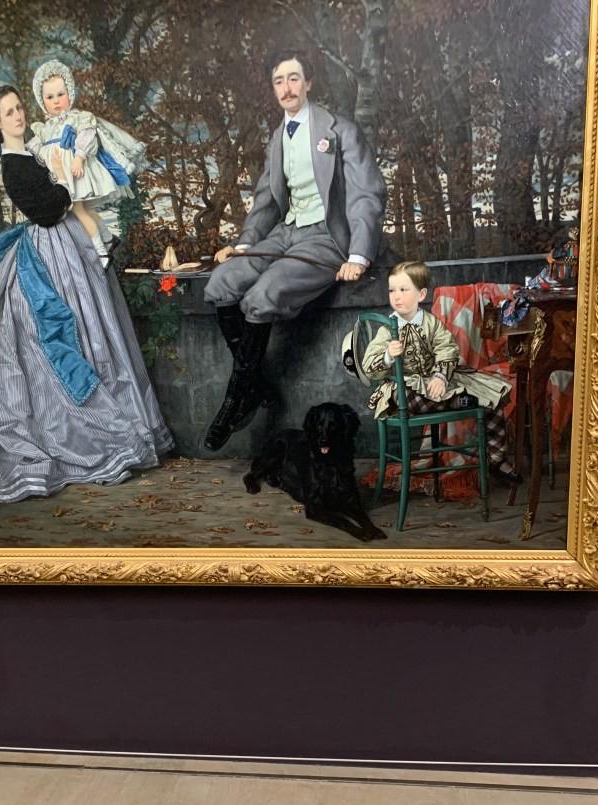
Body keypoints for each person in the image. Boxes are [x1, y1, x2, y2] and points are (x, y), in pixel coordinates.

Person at [0, 85, 173, 504]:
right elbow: (46, 212)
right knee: (55, 338)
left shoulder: (33, 151)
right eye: (9, 112)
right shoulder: (13, 165)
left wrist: (64, 181)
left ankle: (113, 419)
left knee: (94, 326)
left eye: (19, 108)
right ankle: (69, 430)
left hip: (68, 245)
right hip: (48, 251)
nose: (18, 116)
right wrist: (63, 184)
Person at [202, 49, 387, 451]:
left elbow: (366, 194)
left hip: (326, 237)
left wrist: (358, 255)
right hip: (287, 232)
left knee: (262, 295)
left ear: (308, 83)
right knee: (221, 283)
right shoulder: (278, 138)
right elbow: (267, 198)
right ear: (274, 89)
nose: (286, 88)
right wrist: (245, 244)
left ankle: (234, 399)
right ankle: (255, 386)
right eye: (279, 81)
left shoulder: (341, 130)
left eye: (293, 78)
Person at [361, 261, 523, 484]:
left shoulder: (430, 323)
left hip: (435, 385)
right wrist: (388, 355)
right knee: (416, 396)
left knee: (491, 396)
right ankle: (462, 402)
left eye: (403, 290)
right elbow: (369, 366)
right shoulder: (388, 328)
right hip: (404, 391)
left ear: (421, 294)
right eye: (392, 290)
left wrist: (439, 375)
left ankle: (496, 459)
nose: (396, 297)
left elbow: (447, 348)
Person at [28, 60, 146, 267]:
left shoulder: (77, 118)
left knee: (78, 210)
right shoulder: (45, 128)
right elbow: (37, 147)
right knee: (78, 209)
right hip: (58, 175)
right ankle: (107, 238)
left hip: (73, 171)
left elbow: (87, 136)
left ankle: (101, 252)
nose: (56, 101)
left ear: (69, 93)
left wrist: (79, 157)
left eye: (60, 94)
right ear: (42, 101)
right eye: (50, 97)